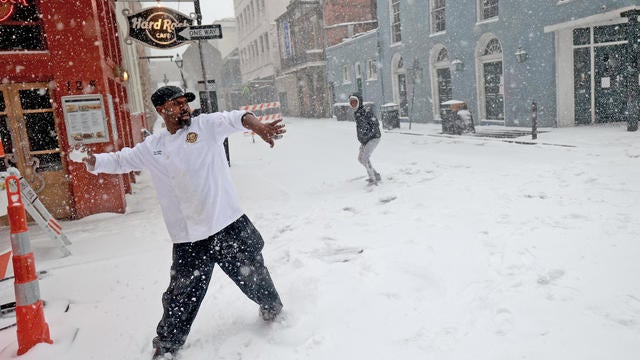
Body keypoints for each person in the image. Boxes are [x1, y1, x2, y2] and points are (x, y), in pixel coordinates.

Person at [81, 86, 286, 359]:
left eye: (184, 102)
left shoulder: (206, 127)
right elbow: (121, 160)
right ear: (161, 110)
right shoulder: (153, 148)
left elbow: (238, 117)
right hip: (188, 238)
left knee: (254, 275)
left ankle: (273, 309)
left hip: (226, 224)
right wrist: (93, 161)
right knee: (181, 297)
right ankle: (167, 347)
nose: (184, 107)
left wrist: (258, 126)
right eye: (176, 104)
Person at [349, 92, 381, 185]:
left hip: (373, 138)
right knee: (360, 159)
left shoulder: (366, 112)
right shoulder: (357, 114)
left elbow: (375, 124)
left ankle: (373, 179)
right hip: (365, 140)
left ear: (359, 102)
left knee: (365, 158)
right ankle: (376, 175)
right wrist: (363, 139)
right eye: (351, 103)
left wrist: (369, 135)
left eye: (355, 102)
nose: (353, 104)